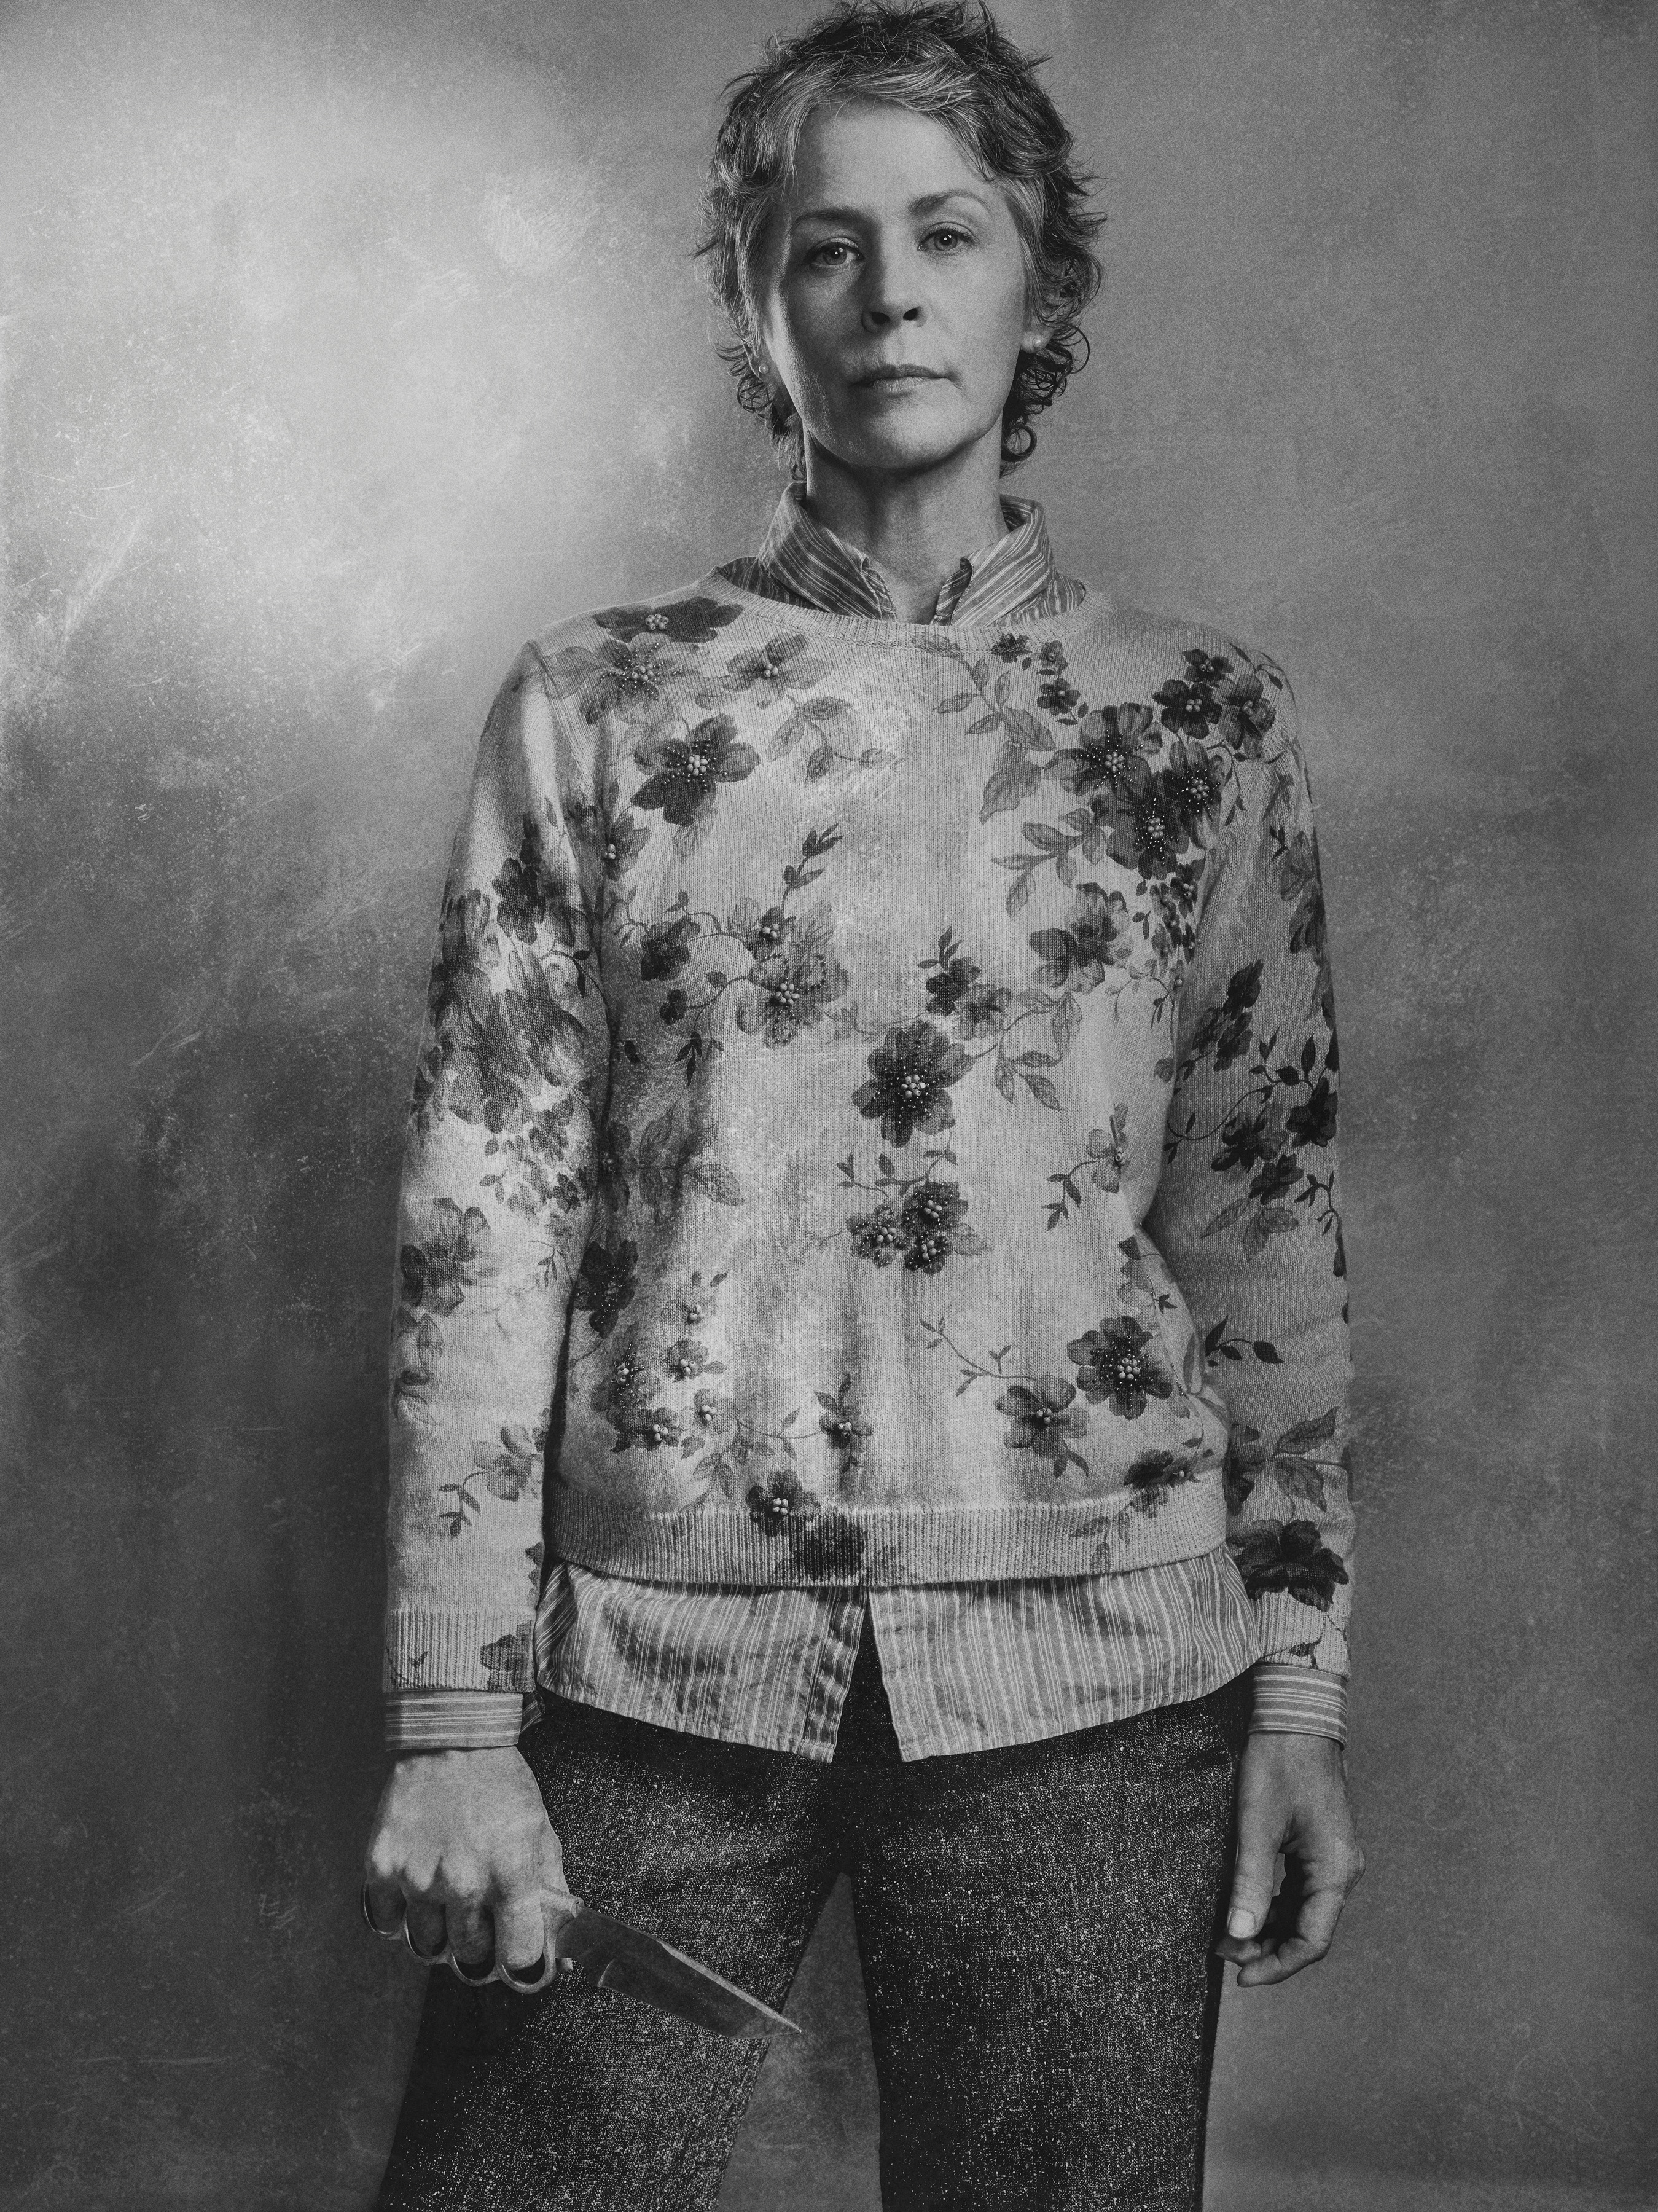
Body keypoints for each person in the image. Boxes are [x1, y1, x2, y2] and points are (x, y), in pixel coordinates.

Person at [361, 4, 1364, 2206]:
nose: (888, 292)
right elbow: (481, 1231)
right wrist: (452, 1722)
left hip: (1102, 1684)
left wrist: (1295, 1695)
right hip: (649, 1667)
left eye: (948, 232)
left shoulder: (1201, 720)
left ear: (1041, 284)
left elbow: (1259, 1225)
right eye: (825, 244)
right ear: (755, 299)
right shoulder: (596, 706)